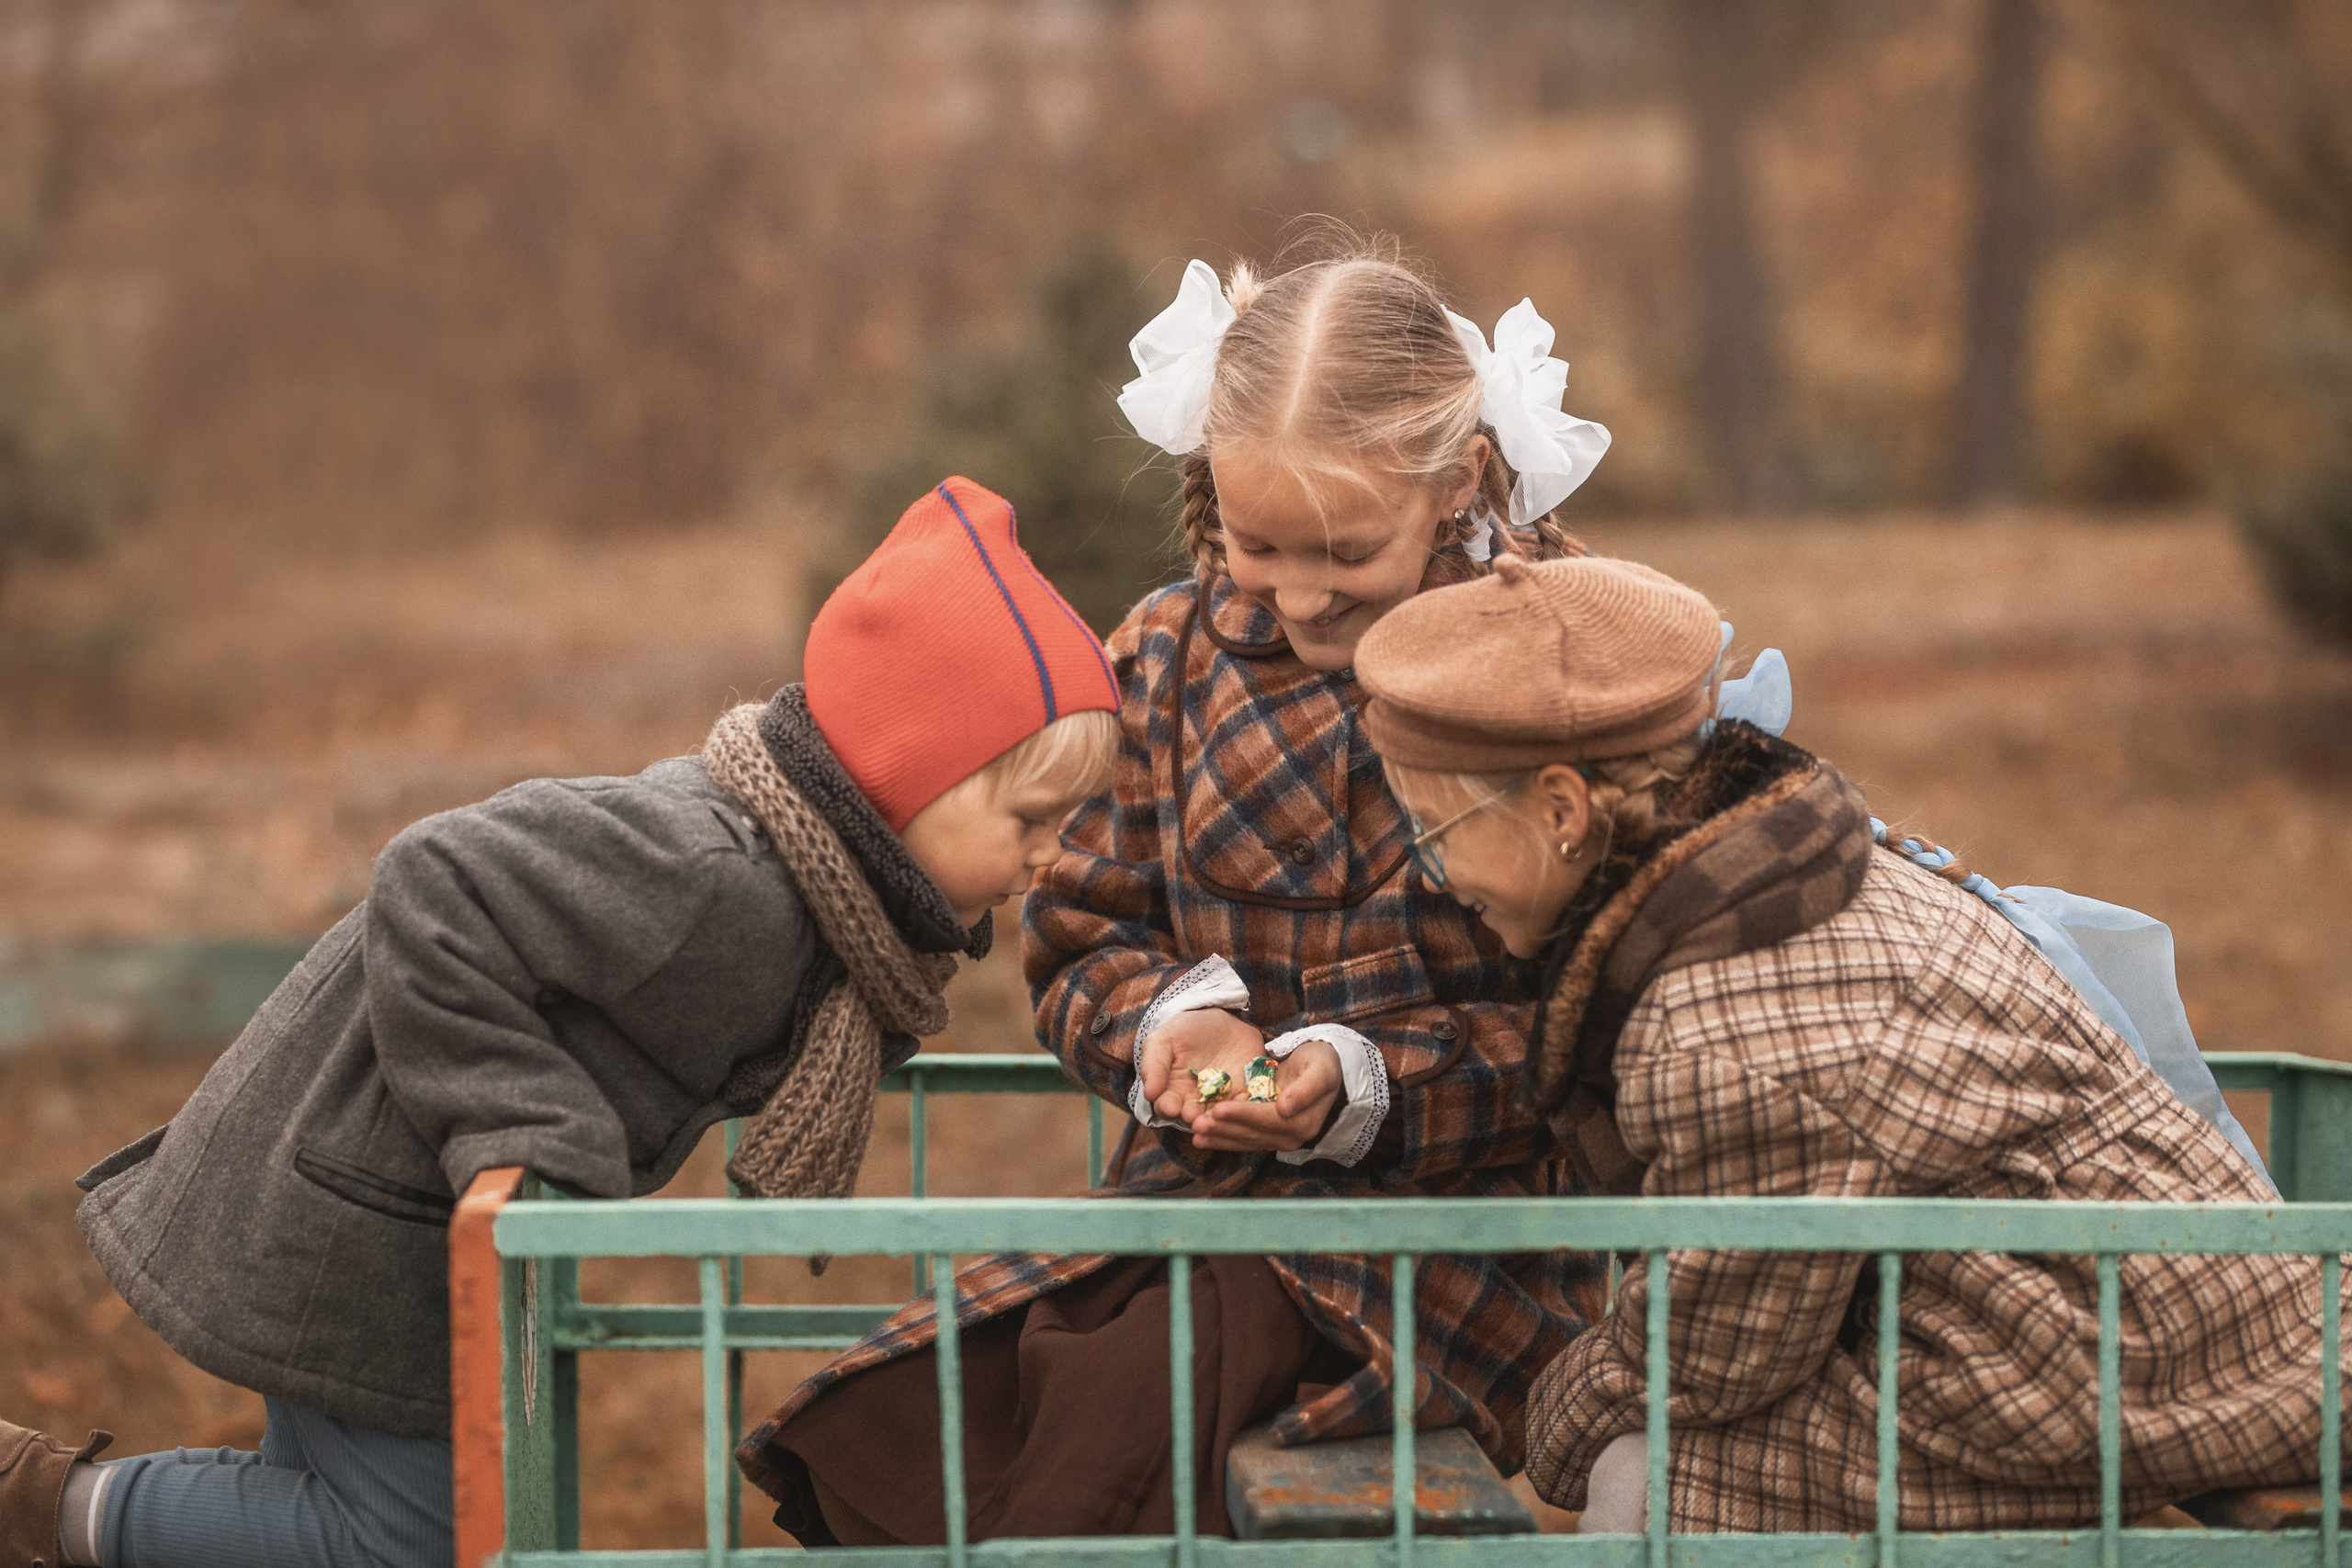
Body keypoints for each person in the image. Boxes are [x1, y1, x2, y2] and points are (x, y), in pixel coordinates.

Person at [0, 478, 1119, 1568]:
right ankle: (47, 1509)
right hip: (359, 1200)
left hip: (396, 1203)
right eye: (1029, 817)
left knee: (346, 1505)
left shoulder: (826, 899)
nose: (1048, 852)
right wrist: (531, 1137)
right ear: (904, 778)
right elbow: (433, 879)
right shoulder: (723, 875)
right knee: (412, 1540)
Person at [737, 238, 1616, 1544]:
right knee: (939, 1406)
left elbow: (1587, 1016)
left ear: (1458, 481)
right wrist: (1171, 1028)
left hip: (1458, 1256)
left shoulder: (1548, 668)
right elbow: (1083, 933)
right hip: (1193, 1212)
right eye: (1261, 543)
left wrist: (1357, 1081)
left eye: (1345, 549)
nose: (1303, 590)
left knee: (1119, 1418)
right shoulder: (1164, 658)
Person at [1349, 551, 2325, 1534]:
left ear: (1561, 812)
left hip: (2092, 1366)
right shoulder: (1787, 862)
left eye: (1436, 832)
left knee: (1642, 1480)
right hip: (2146, 1314)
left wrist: (1541, 1455)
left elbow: (1716, 1346)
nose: (1433, 874)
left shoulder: (1720, 1029)